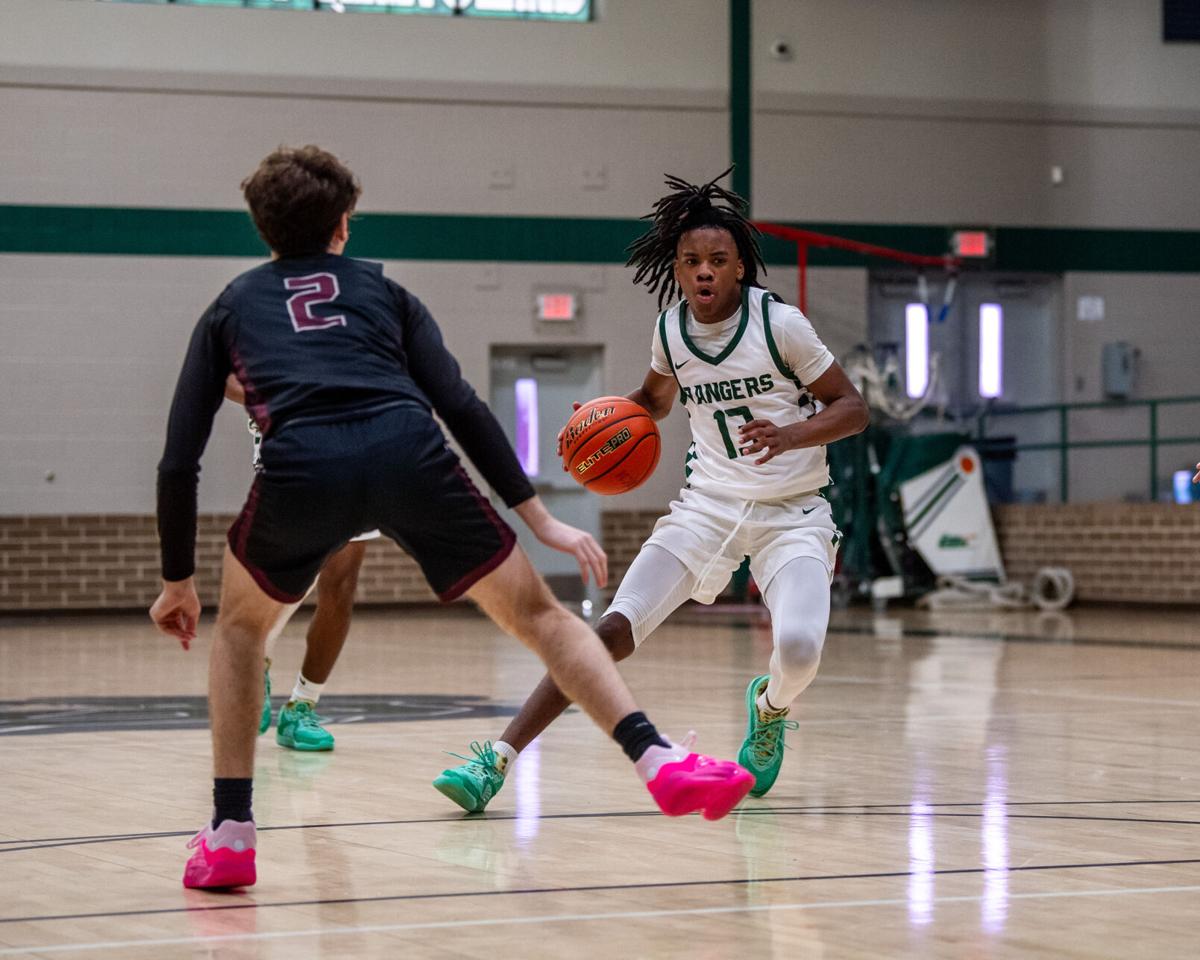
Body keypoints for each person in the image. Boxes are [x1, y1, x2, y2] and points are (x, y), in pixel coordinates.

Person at [150, 146, 753, 891]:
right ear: (344, 226)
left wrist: (177, 578)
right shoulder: (383, 291)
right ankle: (655, 759)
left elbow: (180, 456)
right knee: (542, 616)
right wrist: (540, 518)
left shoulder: (232, 305)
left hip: (302, 464)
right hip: (409, 452)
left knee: (241, 631)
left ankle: (233, 832)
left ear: (262, 228)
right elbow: (461, 404)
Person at [434, 169, 869, 812]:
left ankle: (770, 708)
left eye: (717, 261)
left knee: (800, 650)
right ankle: (495, 760)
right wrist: (597, 424)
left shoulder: (782, 327)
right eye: (691, 260)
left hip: (791, 513)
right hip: (706, 508)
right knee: (606, 631)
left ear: (741, 268)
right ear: (676, 266)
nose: (703, 272)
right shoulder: (670, 331)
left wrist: (792, 433)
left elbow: (852, 408)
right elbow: (652, 403)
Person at [226, 377, 371, 752]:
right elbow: (222, 374)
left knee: (341, 583)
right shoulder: (257, 321)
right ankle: (257, 662)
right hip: (290, 441)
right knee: (290, 568)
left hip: (354, 445)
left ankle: (302, 707)